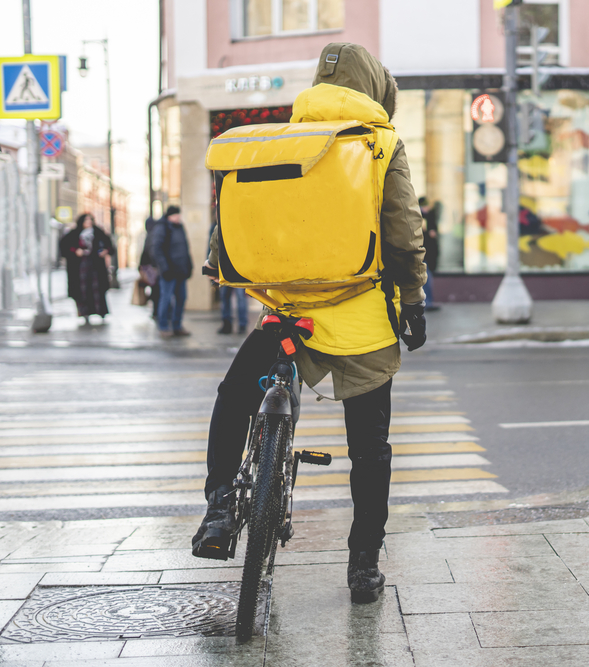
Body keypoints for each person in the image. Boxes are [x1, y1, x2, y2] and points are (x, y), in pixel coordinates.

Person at [192, 43, 427, 605]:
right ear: (372, 87)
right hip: (361, 320)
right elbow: (404, 232)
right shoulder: (380, 143)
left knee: (233, 395)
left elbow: (235, 218)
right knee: (370, 448)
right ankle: (363, 567)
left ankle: (220, 508)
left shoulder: (273, 141)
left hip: (286, 314)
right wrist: (413, 300)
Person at [59, 213, 114, 323]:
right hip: (79, 266)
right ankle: (84, 313)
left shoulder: (99, 233)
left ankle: (101, 312)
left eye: (90, 220)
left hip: (96, 265)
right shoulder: (74, 234)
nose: (89, 222)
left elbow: (110, 246)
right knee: (82, 290)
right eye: (86, 220)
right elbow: (64, 247)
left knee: (97, 289)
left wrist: (105, 251)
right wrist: (75, 251)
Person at [150, 205, 194, 338]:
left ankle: (177, 325)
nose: (179, 217)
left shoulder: (180, 227)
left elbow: (185, 248)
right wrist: (164, 268)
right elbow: (157, 249)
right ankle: (163, 326)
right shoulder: (162, 228)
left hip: (181, 270)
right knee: (166, 298)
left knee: (181, 298)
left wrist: (189, 266)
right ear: (170, 216)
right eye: (176, 215)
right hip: (169, 271)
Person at [418, 197, 441, 311]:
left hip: (426, 255)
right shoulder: (422, 219)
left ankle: (427, 302)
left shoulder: (427, 218)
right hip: (423, 255)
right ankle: (427, 302)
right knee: (426, 279)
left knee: (426, 279)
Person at [139, 216, 161, 319]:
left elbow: (147, 252)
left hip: (153, 268)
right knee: (156, 289)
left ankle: (156, 311)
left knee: (155, 289)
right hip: (154, 267)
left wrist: (141, 266)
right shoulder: (154, 234)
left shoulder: (151, 235)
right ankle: (157, 311)